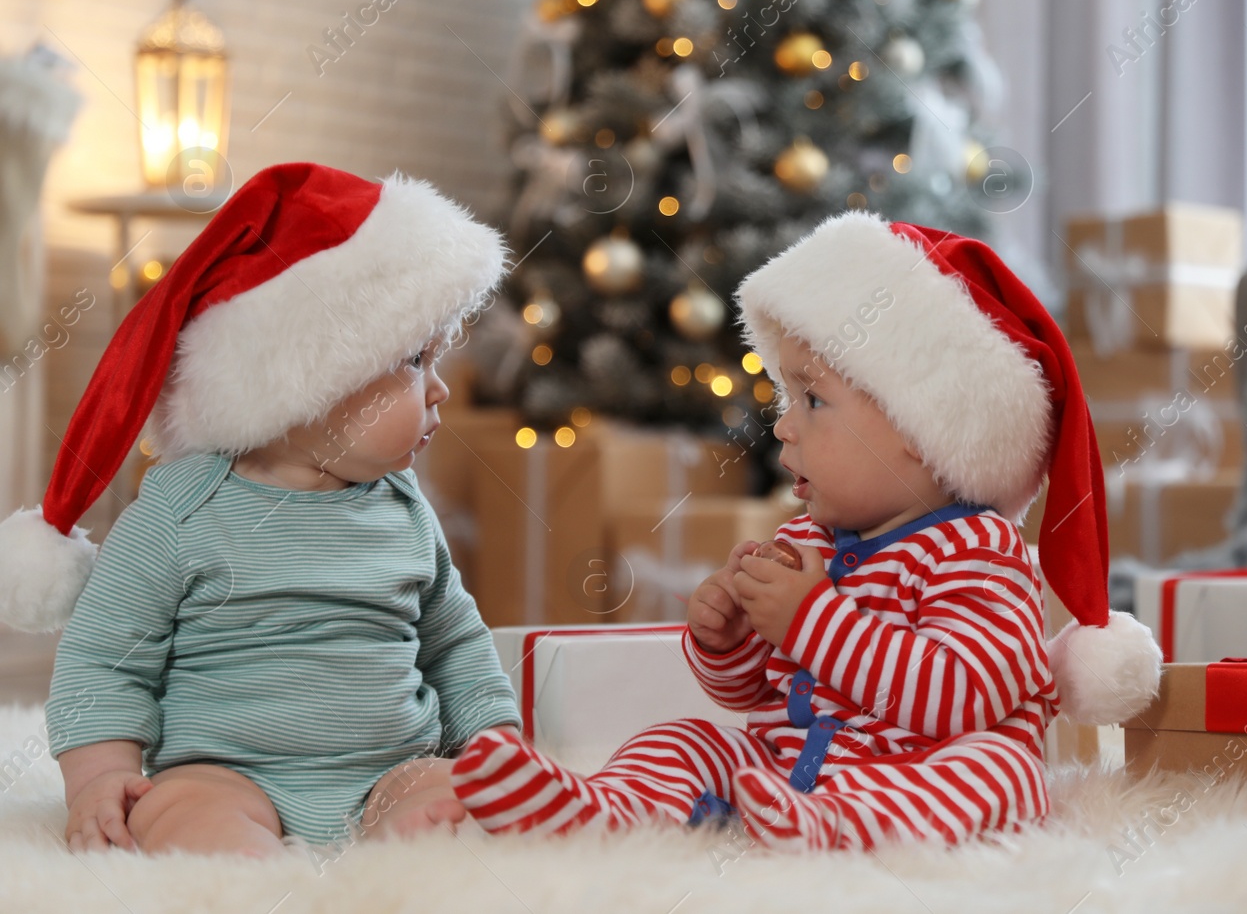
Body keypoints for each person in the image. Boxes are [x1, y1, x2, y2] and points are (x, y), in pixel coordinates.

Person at [450, 211, 1161, 850]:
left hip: (919, 769)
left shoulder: (979, 552)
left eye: (813, 398)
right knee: (688, 738)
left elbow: (964, 695)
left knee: (997, 771)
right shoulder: (813, 541)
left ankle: (843, 825)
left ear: (923, 429)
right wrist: (726, 640)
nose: (784, 425)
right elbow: (760, 693)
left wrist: (811, 619)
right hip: (789, 770)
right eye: (786, 394)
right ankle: (605, 809)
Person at [0, 163, 519, 856]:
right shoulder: (183, 511)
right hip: (224, 773)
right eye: (415, 360)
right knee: (193, 821)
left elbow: (453, 643)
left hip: (390, 767)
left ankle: (408, 844)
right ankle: (238, 861)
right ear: (307, 378)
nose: (441, 391)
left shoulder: (404, 509)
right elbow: (104, 657)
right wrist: (101, 777)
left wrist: (495, 744)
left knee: (453, 803)